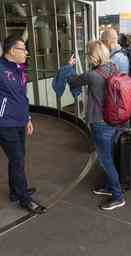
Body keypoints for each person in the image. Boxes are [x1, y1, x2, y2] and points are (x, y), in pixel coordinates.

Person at [65, 40, 125, 210]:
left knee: (106, 160)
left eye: (89, 56)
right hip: (113, 120)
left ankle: (118, 196)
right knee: (109, 156)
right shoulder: (113, 68)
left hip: (99, 122)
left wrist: (69, 67)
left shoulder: (93, 75)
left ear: (93, 56)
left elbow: (73, 81)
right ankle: (109, 187)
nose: (88, 59)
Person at [0, 35, 46, 214]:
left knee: (17, 158)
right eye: (23, 49)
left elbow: (22, 96)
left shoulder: (19, 68)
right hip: (5, 124)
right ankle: (24, 199)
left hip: (19, 121)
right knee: (18, 160)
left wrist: (27, 118)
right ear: (12, 51)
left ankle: (15, 192)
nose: (27, 52)